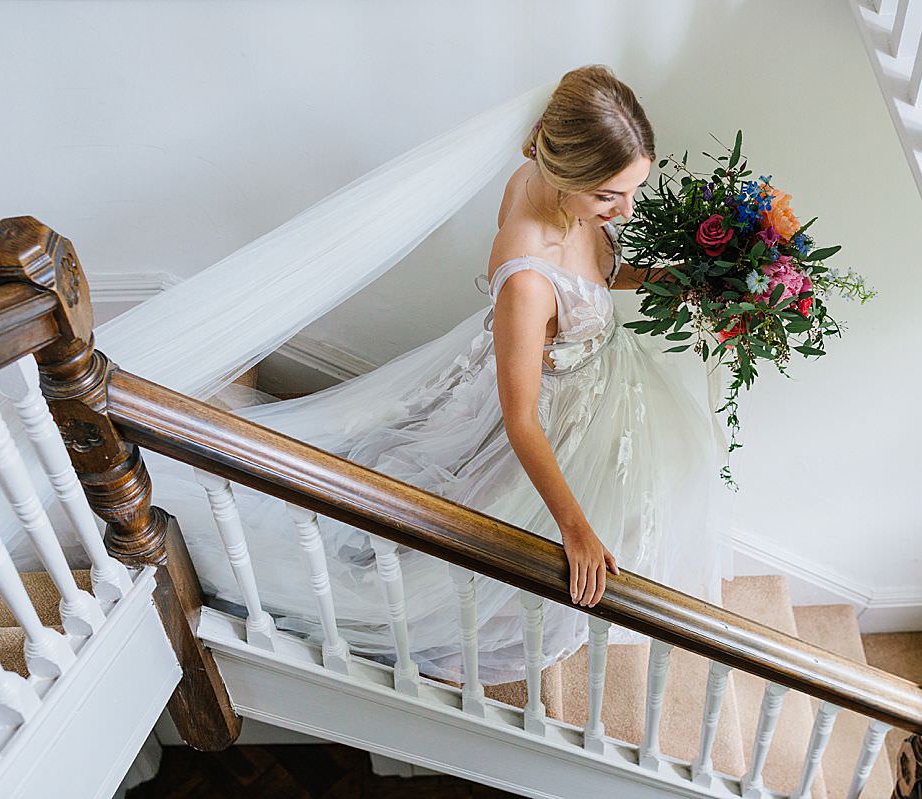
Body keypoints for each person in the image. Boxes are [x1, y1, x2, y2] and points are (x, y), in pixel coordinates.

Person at [154, 64, 735, 685]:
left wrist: (658, 278)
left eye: (630, 190)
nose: (624, 210)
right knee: (479, 531)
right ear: (566, 176)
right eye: (608, 196)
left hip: (596, 382)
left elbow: (591, 277)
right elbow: (520, 419)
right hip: (548, 408)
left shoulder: (540, 185)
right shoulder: (528, 280)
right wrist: (575, 529)